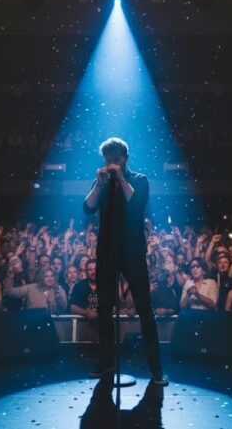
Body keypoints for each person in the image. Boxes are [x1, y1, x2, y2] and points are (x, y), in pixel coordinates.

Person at [82, 137, 167, 385]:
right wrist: (98, 185)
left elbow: (136, 203)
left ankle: (156, 368)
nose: (111, 165)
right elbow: (87, 208)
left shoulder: (140, 180)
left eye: (116, 160)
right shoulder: (101, 183)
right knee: (104, 310)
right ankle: (106, 362)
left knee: (144, 310)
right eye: (108, 160)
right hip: (107, 251)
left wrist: (120, 178)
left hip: (132, 252)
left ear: (125, 159)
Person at [3, 268, 68, 315]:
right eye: (46, 276)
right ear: (41, 278)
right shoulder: (32, 288)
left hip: (53, 326)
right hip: (33, 324)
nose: (50, 278)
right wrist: (10, 275)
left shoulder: (59, 290)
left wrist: (55, 300)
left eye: (52, 276)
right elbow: (9, 292)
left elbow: (62, 310)